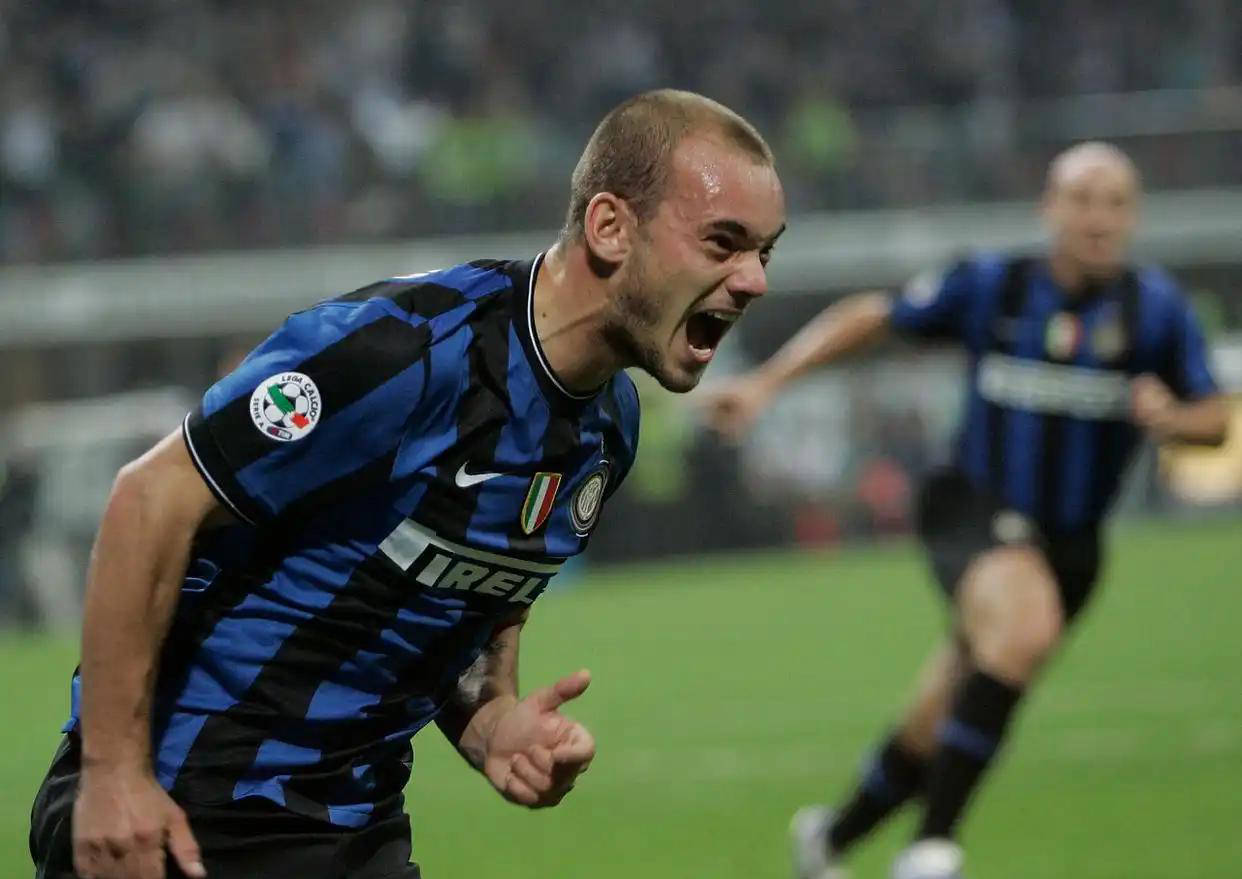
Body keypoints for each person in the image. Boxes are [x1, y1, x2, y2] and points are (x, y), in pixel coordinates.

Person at [31, 88, 787, 879]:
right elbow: (147, 500)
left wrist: (489, 718)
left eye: (764, 253)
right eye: (723, 242)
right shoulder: (405, 351)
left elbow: (469, 601)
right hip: (187, 803)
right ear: (609, 227)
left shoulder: (608, 429)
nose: (754, 281)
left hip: (353, 823)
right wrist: (112, 774)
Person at [702, 141, 1227, 879]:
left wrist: (1173, 417)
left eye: (1115, 203)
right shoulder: (995, 284)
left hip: (1072, 544)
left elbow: (1215, 417)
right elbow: (874, 315)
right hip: (973, 508)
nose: (1098, 218)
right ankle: (932, 847)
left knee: (946, 709)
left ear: (1134, 216)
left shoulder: (1158, 309)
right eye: (1081, 199)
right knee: (1025, 628)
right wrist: (767, 382)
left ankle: (828, 843)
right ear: (1049, 208)